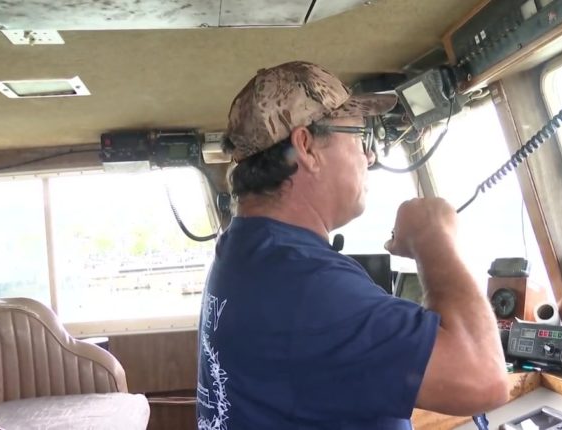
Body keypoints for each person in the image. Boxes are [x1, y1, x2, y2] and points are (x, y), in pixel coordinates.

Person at [197, 60, 509, 430]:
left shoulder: (240, 250)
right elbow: (484, 379)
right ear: (306, 147)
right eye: (361, 137)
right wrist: (432, 237)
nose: (370, 156)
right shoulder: (305, 283)